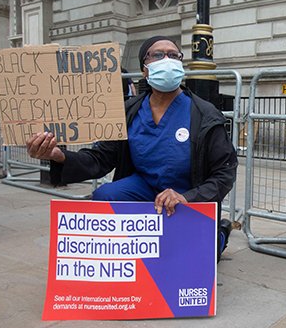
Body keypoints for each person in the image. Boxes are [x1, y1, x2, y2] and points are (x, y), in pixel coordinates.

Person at [26, 36, 238, 261]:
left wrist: (188, 197)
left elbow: (225, 172)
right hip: (144, 188)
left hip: (188, 194)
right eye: (158, 55)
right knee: (105, 195)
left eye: (174, 55)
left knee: (199, 257)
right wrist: (59, 156)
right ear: (145, 69)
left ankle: (221, 233)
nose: (167, 60)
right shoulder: (129, 111)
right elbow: (101, 158)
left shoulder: (205, 114)